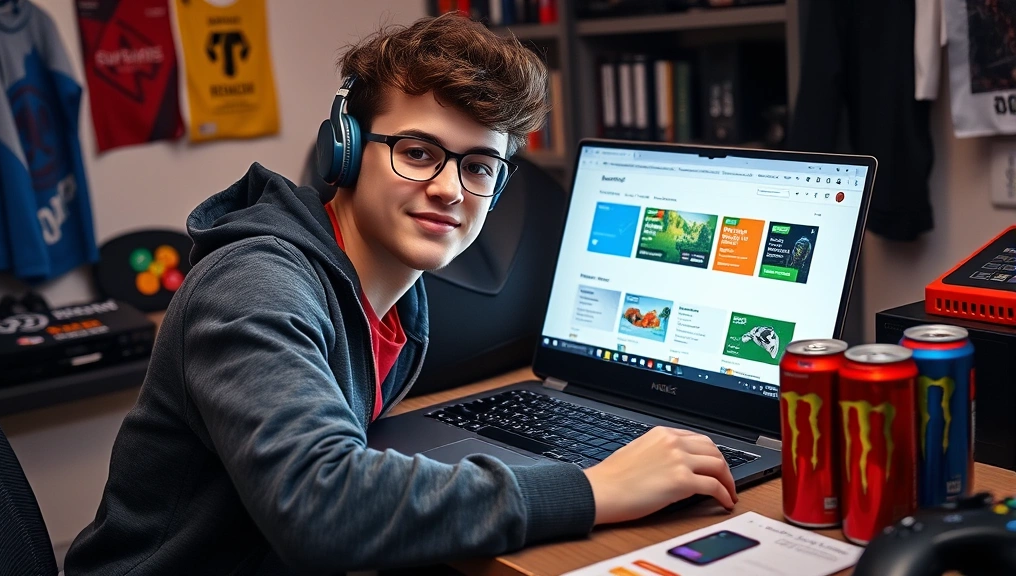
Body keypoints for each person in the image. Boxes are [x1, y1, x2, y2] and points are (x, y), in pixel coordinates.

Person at [64, 13, 737, 575]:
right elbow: (320, 508)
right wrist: (594, 488)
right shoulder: (257, 287)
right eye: (418, 152)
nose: (449, 189)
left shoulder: (397, 307)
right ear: (346, 151)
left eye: (478, 167)